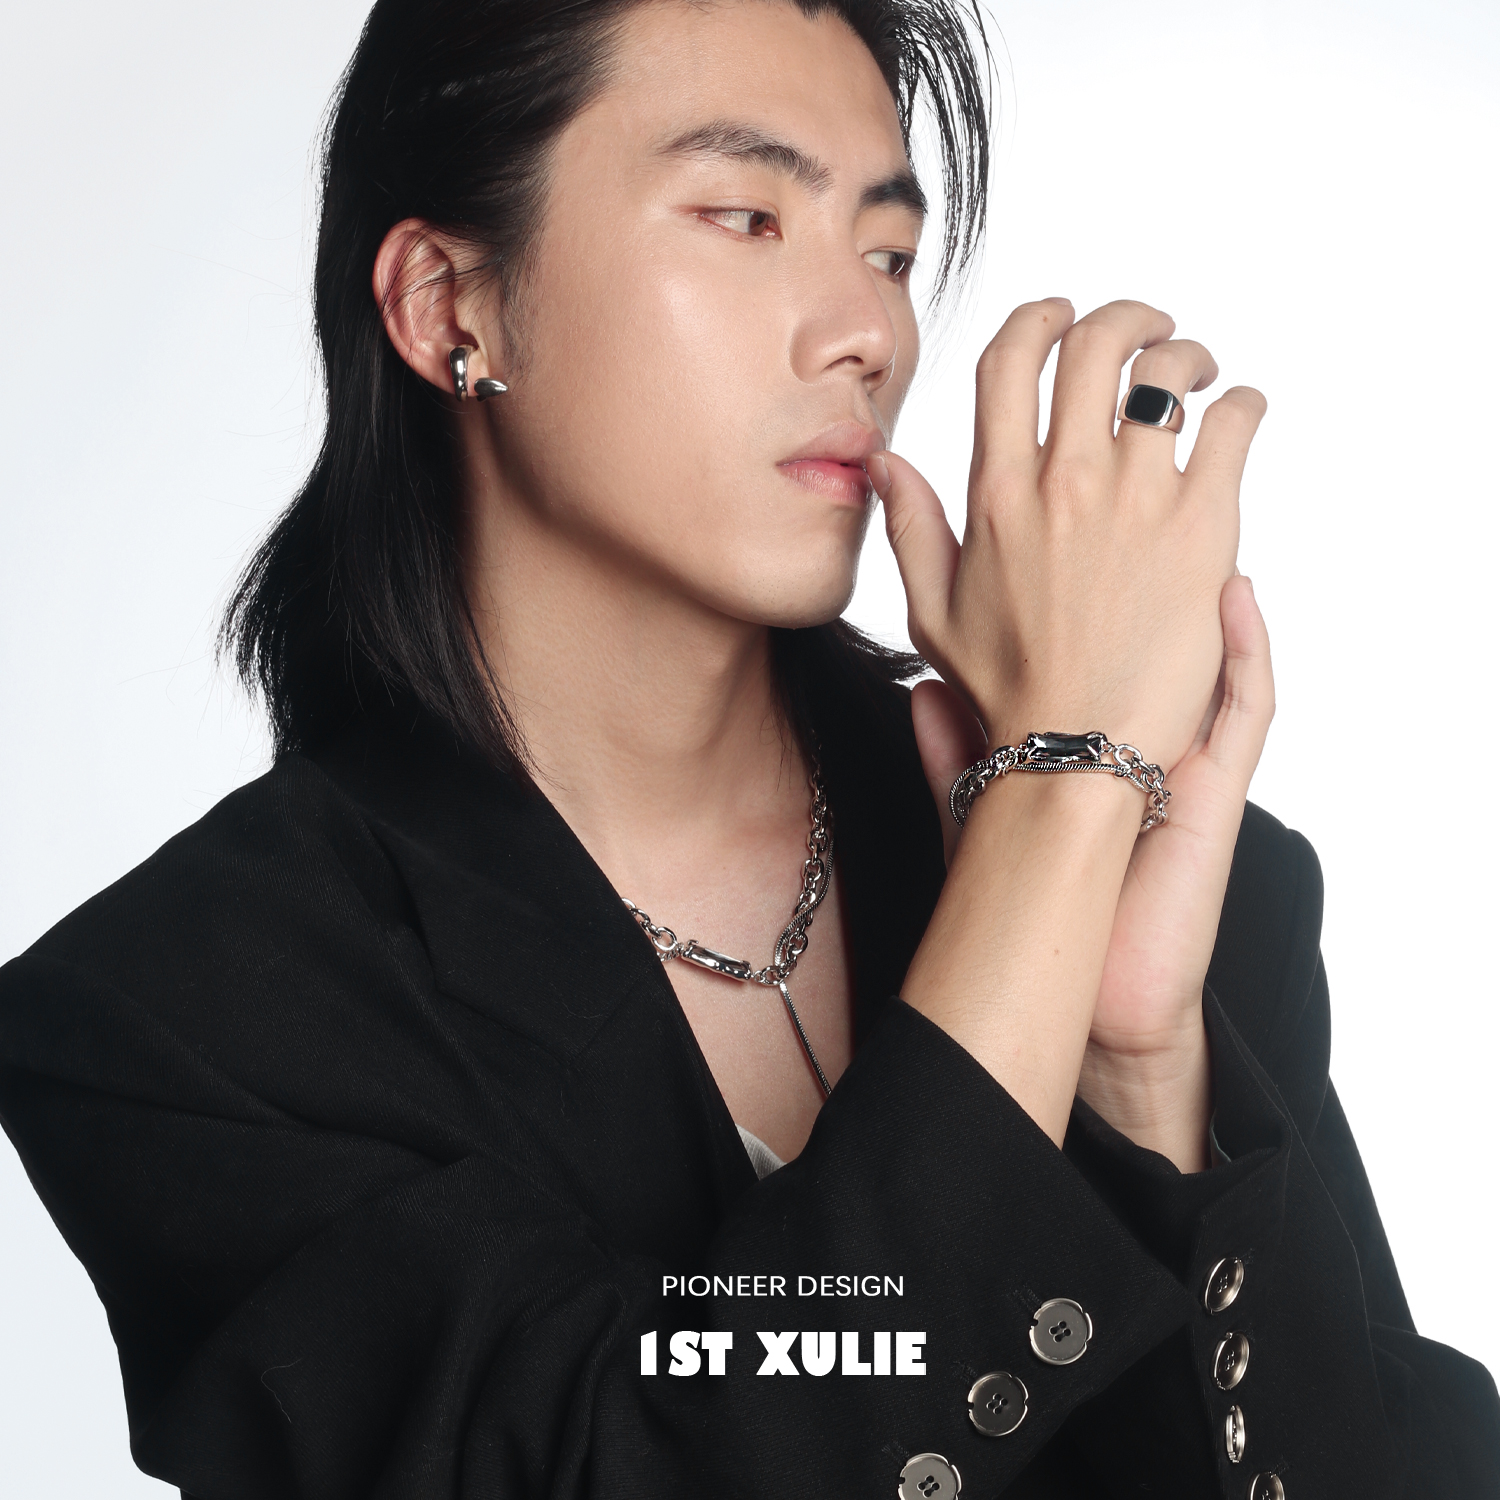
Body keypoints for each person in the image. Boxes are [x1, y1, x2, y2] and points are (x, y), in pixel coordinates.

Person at [1, 0, 1495, 1495]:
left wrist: (1140, 1079)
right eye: (746, 217)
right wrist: (1052, 799)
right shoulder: (179, 1018)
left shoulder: (1152, 875)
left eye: (889, 251)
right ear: (453, 306)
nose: (870, 333)